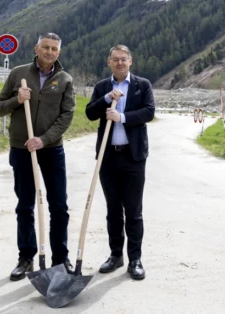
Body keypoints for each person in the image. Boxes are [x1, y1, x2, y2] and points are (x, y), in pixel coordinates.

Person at [0, 33, 76, 281]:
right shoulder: (18, 74)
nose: (49, 52)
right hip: (21, 147)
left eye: (54, 49)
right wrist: (17, 100)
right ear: (36, 48)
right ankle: (26, 257)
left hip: (51, 149)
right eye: (45, 47)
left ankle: (60, 259)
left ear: (58, 53)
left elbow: (66, 117)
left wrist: (44, 139)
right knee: (25, 205)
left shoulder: (64, 80)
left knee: (59, 206)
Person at [86, 45, 155, 280]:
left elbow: (149, 112)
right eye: (115, 60)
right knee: (113, 210)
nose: (119, 63)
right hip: (108, 157)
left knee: (133, 211)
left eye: (123, 59)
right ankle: (116, 256)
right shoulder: (102, 87)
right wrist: (106, 99)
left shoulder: (141, 85)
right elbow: (90, 113)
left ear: (130, 61)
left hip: (133, 157)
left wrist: (122, 117)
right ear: (109, 62)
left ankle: (135, 259)